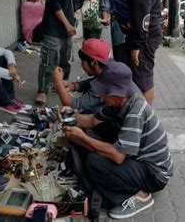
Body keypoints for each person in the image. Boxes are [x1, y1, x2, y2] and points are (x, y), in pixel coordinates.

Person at [63, 61, 173, 219]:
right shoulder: (117, 103)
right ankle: (107, 189)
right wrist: (71, 116)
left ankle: (140, 196)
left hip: (155, 174)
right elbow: (93, 120)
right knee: (97, 140)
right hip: (139, 160)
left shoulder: (136, 110)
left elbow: (118, 156)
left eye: (104, 92)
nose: (100, 96)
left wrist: (83, 137)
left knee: (94, 162)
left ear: (118, 92)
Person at [99, 0, 163, 105]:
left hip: (145, 36)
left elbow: (142, 14)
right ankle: (133, 112)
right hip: (140, 33)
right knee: (133, 76)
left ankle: (146, 121)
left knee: (143, 80)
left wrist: (136, 45)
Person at [35, 0, 95, 105]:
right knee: (49, 59)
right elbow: (55, 4)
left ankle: (61, 84)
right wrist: (67, 24)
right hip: (53, 29)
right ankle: (43, 90)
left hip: (66, 31)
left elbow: (78, 2)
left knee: (65, 59)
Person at [51, 38, 111, 111]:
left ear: (93, 63)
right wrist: (74, 86)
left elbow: (71, 104)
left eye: (83, 62)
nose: (81, 65)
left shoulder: (103, 85)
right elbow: (94, 80)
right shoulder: (106, 66)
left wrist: (57, 82)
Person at [100, 0, 128, 64]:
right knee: (119, 55)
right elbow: (105, 7)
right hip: (117, 26)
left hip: (132, 25)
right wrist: (106, 18)